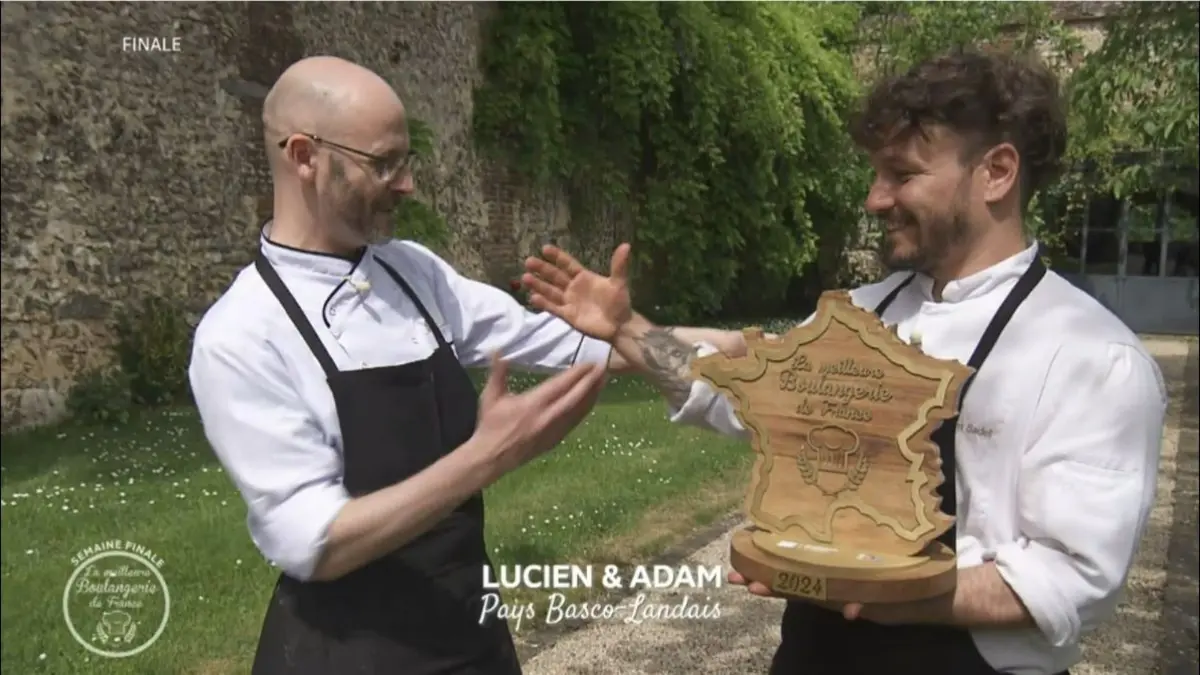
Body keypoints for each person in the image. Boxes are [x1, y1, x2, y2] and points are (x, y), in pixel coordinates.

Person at [521, 49, 1167, 675]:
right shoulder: (860, 312)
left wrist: (887, 593)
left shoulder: (1087, 355)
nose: (874, 200)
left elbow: (1072, 577)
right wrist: (627, 329)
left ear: (996, 171)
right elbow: (731, 391)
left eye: (902, 174)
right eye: (876, 174)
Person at [188, 55, 746, 675]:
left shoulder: (412, 273)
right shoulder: (240, 336)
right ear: (302, 156)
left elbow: (570, 343)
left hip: (468, 637)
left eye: (407, 160)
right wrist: (487, 458)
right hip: (351, 654)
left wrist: (722, 344)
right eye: (384, 163)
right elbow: (313, 542)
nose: (407, 185)